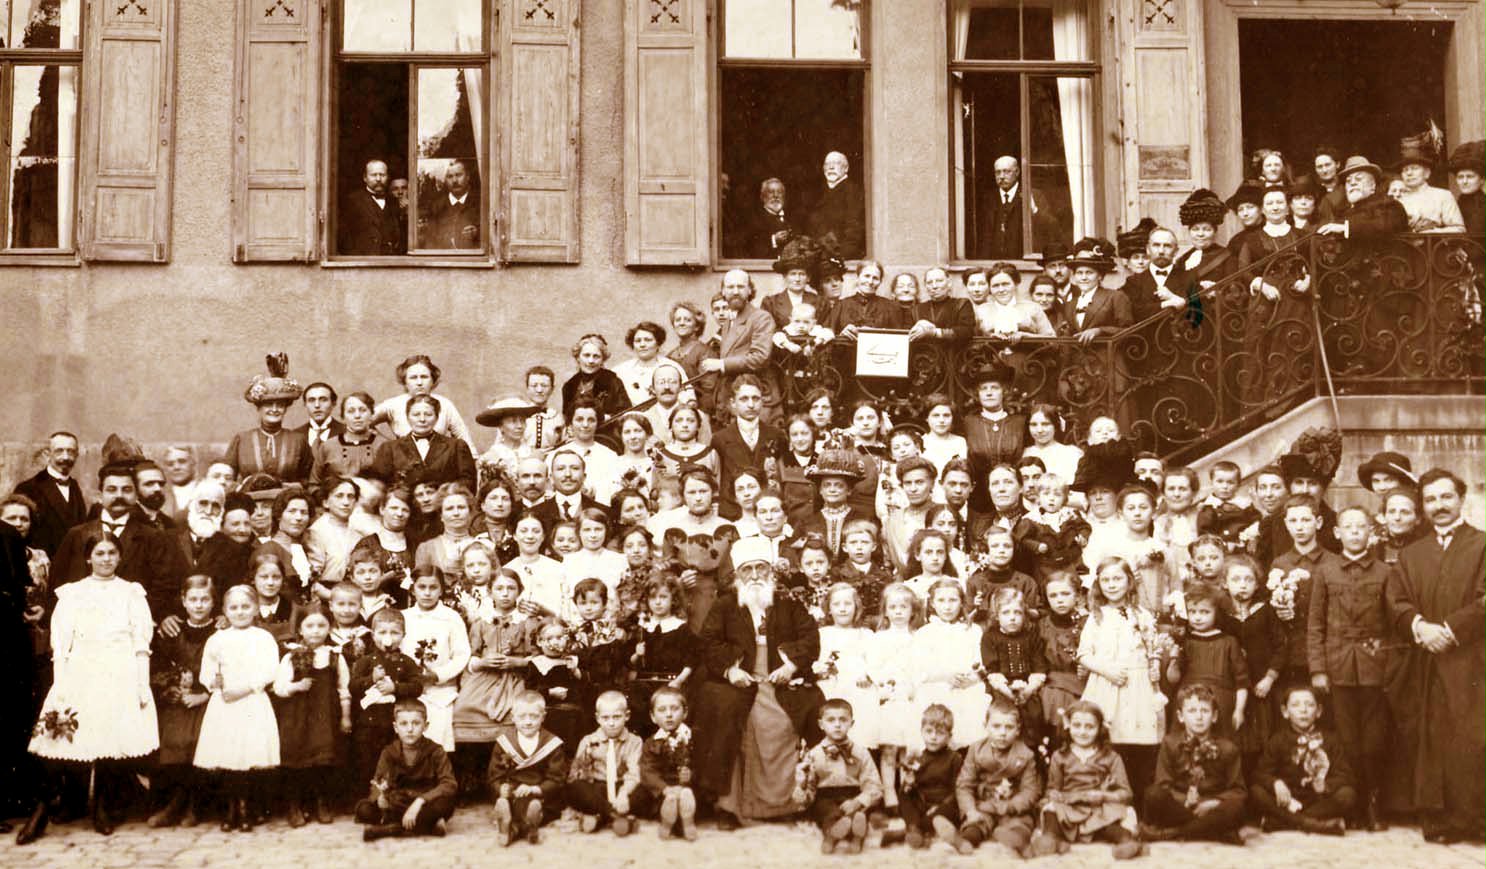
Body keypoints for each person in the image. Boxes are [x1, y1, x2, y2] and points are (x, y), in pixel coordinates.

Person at [21, 533, 158, 841]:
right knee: (58, 741)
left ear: (119, 557)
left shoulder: (132, 593)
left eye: (112, 552)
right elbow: (62, 643)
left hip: (118, 670)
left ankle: (101, 806)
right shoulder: (73, 593)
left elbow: (141, 643)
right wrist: (62, 683)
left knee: (107, 739)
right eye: (99, 553)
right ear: (88, 557)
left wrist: (141, 683)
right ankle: (42, 810)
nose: (106, 558)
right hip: (82, 668)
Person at [691, 537, 823, 827]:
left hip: (781, 681)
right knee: (728, 714)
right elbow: (709, 643)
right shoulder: (725, 605)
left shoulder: (788, 603)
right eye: (747, 570)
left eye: (760, 569)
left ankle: (790, 803)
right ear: (737, 575)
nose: (754, 576)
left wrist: (790, 666)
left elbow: (810, 639)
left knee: (796, 714)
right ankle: (729, 807)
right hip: (739, 681)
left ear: (771, 572)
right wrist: (730, 670)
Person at [1384, 469, 1485, 843]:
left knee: (1472, 737)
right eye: (1430, 500)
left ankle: (1474, 821)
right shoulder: (1411, 554)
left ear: (1462, 499)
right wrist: (1421, 628)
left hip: (1473, 661)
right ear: (1423, 508)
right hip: (1424, 660)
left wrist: (1451, 631)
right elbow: (1396, 601)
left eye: (1446, 497)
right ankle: (1439, 821)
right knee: (1432, 739)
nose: (1439, 506)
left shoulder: (1482, 545)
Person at [1307, 505, 1392, 831]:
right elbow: (1315, 625)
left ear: (1371, 533)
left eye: (1362, 527)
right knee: (1346, 740)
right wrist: (1318, 669)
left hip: (1374, 666)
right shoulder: (1326, 572)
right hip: (1338, 665)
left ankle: (1374, 804)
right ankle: (1352, 803)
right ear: (1338, 533)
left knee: (1374, 740)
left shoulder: (1384, 572)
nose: (1355, 532)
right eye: (1349, 527)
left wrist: (1386, 662)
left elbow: (1392, 624)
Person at [193, 584, 281, 833]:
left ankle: (246, 808)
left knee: (248, 755)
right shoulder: (217, 639)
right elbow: (207, 672)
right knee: (228, 757)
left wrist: (244, 689)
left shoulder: (263, 638)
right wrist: (214, 683)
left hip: (251, 701)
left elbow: (269, 670)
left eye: (245, 606)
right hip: (225, 704)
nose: (240, 612)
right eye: (234, 607)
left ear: (255, 609)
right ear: (225, 611)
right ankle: (230, 808)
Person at [51, 463, 179, 619]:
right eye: (111, 490)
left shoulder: (153, 538)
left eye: (126, 490)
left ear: (136, 496)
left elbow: (163, 588)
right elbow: (58, 581)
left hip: (131, 625)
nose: (119, 495)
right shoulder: (77, 534)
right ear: (99, 495)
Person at [146, 574, 216, 830]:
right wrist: (171, 689)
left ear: (213, 602)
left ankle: (192, 805)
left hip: (209, 698)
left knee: (198, 740)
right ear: (183, 601)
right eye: (193, 599)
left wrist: (204, 695)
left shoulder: (219, 631)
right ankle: (175, 801)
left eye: (205, 599)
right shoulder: (171, 631)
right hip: (178, 699)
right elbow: (158, 668)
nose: (199, 605)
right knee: (174, 739)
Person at [1031, 699, 1143, 859]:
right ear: (1068, 725)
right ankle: (1050, 838)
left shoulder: (1111, 757)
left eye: (1089, 727)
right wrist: (1055, 795)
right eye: (1077, 725)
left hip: (1098, 808)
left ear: (1099, 729)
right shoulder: (1060, 756)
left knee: (1113, 816)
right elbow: (1053, 789)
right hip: (1069, 807)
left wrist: (1104, 796)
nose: (1082, 732)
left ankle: (1125, 841)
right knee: (1051, 810)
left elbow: (1126, 793)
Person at [271, 607, 351, 826]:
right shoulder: (291, 656)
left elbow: (344, 689)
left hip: (324, 717)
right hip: (296, 717)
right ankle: (294, 805)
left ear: (330, 628)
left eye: (321, 626)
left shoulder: (336, 656)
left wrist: (345, 716)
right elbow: (278, 687)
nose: (315, 631)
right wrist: (296, 686)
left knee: (322, 762)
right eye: (310, 626)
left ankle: (321, 802)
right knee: (296, 761)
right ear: (300, 630)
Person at [1140, 684, 1246, 844]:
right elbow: (1163, 784)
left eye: (1204, 711)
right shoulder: (1170, 743)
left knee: (1236, 807)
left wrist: (1213, 803)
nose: (1199, 717)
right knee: (1153, 794)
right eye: (1192, 711)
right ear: (1181, 716)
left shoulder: (1228, 748)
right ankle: (1213, 832)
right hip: (1181, 807)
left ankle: (1173, 834)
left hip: (1212, 807)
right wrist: (1186, 800)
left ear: (1214, 716)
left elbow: (1238, 791)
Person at [355, 698, 457, 840]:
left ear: (425, 726)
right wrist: (379, 797)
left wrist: (420, 801)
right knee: (364, 809)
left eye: (416, 723)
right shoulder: (389, 752)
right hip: (398, 801)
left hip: (424, 803)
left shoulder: (435, 751)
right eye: (404, 724)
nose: (410, 729)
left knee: (445, 805)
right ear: (395, 727)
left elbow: (449, 784)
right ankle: (427, 827)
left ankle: (389, 829)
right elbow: (377, 782)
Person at [348, 608, 425, 796]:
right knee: (367, 761)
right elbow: (353, 687)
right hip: (368, 724)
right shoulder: (365, 662)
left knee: (396, 761)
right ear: (373, 635)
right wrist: (370, 680)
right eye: (382, 632)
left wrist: (395, 688)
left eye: (394, 632)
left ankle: (395, 799)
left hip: (394, 725)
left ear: (403, 635)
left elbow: (417, 687)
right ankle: (369, 800)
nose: (387, 638)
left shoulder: (407, 662)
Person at [792, 698, 883, 855]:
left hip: (853, 796)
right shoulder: (814, 754)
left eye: (843, 720)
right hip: (825, 798)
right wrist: (801, 785)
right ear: (821, 724)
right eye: (831, 720)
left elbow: (874, 786)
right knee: (828, 812)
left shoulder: (861, 752)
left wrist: (858, 801)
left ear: (851, 723)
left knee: (860, 812)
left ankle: (856, 836)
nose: (837, 724)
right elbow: (807, 797)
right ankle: (832, 835)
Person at [952, 701, 1041, 856]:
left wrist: (1010, 806)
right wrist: (970, 810)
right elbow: (964, 784)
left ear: (1018, 730)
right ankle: (966, 841)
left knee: (1021, 823)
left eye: (1009, 727)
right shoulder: (976, 750)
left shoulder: (1026, 755)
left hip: (1012, 805)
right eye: (996, 726)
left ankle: (1017, 840)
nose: (1002, 732)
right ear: (985, 726)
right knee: (977, 823)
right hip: (984, 804)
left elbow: (1030, 790)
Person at [487, 690, 569, 847]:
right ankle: (529, 827)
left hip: (540, 792)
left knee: (540, 805)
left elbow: (557, 779)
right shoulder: (505, 742)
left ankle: (513, 829)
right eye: (522, 716)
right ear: (513, 717)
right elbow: (494, 776)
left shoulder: (552, 743)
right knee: (508, 801)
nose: (528, 722)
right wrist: (501, 789)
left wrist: (535, 789)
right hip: (513, 793)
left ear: (543, 717)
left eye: (534, 716)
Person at [565, 690, 650, 836]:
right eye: (606, 718)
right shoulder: (588, 740)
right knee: (575, 789)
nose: (611, 723)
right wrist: (586, 758)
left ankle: (599, 817)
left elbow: (634, 773)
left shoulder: (635, 741)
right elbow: (575, 774)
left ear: (627, 716)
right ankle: (615, 816)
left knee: (644, 791)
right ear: (598, 718)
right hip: (598, 789)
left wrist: (623, 794)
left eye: (617, 717)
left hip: (622, 787)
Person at [699, 270, 780, 420]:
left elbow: (760, 357)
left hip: (755, 397)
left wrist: (722, 364)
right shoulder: (730, 319)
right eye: (730, 287)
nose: (735, 292)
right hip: (732, 397)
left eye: (740, 287)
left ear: (749, 290)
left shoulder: (761, 318)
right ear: (723, 291)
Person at [225, 354, 314, 484]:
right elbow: (227, 477)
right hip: (250, 502)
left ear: (286, 408)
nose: (274, 409)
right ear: (258, 408)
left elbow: (308, 478)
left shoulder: (298, 440)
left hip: (287, 502)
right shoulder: (242, 439)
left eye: (280, 404)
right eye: (268, 404)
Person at [370, 394, 478, 494]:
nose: (422, 419)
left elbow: (468, 483)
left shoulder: (456, 446)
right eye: (416, 414)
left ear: (436, 417)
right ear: (407, 417)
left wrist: (444, 495)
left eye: (428, 414)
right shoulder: (390, 448)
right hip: (404, 511)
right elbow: (379, 486)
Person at [373, 355, 476, 455]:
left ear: (432, 380)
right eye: (413, 378)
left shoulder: (445, 404)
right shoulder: (393, 405)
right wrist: (390, 445)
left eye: (424, 377)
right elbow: (364, 421)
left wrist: (473, 460)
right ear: (405, 381)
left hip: (439, 464)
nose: (419, 383)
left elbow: (463, 436)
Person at [12, 431, 87, 557]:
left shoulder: (75, 487)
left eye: (71, 451)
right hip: (43, 566)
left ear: (77, 455)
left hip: (74, 565)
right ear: (48, 454)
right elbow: (15, 534)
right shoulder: (28, 488)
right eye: (59, 451)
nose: (65, 457)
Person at [1316, 156, 1409, 243]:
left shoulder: (1389, 205)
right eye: (1348, 181)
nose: (1352, 183)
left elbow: (1383, 225)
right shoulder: (1343, 212)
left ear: (1372, 186)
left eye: (1358, 179)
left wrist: (1346, 228)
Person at [978, 155, 1053, 259]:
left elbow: (1050, 227)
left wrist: (1034, 210)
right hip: (994, 263)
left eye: (1006, 171)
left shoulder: (1033, 195)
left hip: (1023, 261)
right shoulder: (988, 199)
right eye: (998, 172)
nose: (1001, 176)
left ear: (1017, 172)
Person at [1391, 135, 1465, 234]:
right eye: (1405, 170)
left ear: (1427, 173)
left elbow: (1459, 229)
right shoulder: (1396, 198)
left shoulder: (1442, 196)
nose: (1409, 173)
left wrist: (1433, 232)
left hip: (1437, 248)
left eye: (1414, 168)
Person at [805, 151, 864, 259]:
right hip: (816, 257)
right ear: (823, 169)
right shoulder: (817, 192)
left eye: (836, 163)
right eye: (827, 164)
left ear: (846, 168)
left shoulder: (852, 191)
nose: (831, 167)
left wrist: (840, 256)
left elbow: (854, 230)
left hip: (839, 257)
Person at [338, 159, 403, 256]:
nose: (378, 179)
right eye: (374, 175)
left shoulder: (393, 202)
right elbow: (343, 235)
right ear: (365, 178)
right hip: (364, 262)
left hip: (390, 261)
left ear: (388, 177)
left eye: (382, 175)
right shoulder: (353, 201)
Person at [419, 160, 480, 249]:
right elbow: (430, 241)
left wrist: (477, 233)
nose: (454, 180)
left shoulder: (480, 203)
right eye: (450, 176)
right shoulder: (435, 207)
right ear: (445, 180)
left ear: (468, 177)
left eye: (459, 175)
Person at [734, 176, 793, 259]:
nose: (776, 196)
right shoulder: (752, 219)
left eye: (779, 192)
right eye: (771, 192)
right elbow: (749, 248)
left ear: (784, 196)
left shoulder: (793, 219)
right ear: (763, 197)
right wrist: (774, 240)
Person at [666, 301, 712, 382]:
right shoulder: (670, 355)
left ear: (697, 326)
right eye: (678, 320)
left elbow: (708, 389)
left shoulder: (705, 353)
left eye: (687, 320)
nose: (681, 323)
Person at [1448, 139, 1485, 234]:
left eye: (1470, 176)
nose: (1464, 181)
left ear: (1482, 179)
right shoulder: (1461, 201)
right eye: (1460, 177)